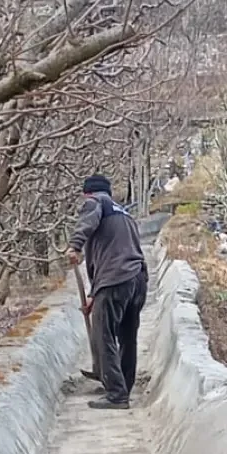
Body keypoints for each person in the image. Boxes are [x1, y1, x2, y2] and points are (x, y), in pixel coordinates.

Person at [69, 172, 149, 410]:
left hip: (115, 279)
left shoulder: (95, 202)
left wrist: (75, 245)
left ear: (87, 193)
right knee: (127, 337)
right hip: (137, 280)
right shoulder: (124, 213)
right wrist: (95, 294)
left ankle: (116, 393)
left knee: (103, 336)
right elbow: (116, 250)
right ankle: (124, 384)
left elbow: (88, 221)